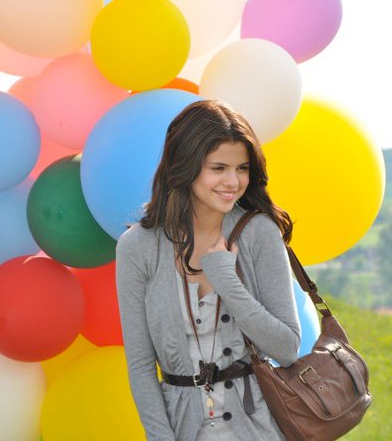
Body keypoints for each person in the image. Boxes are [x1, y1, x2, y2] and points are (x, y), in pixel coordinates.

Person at [116, 99, 300, 441]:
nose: (233, 181)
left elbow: (287, 348)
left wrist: (226, 280)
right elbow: (140, 366)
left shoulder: (259, 232)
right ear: (185, 166)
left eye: (242, 168)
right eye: (218, 168)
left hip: (261, 431)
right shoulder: (137, 247)